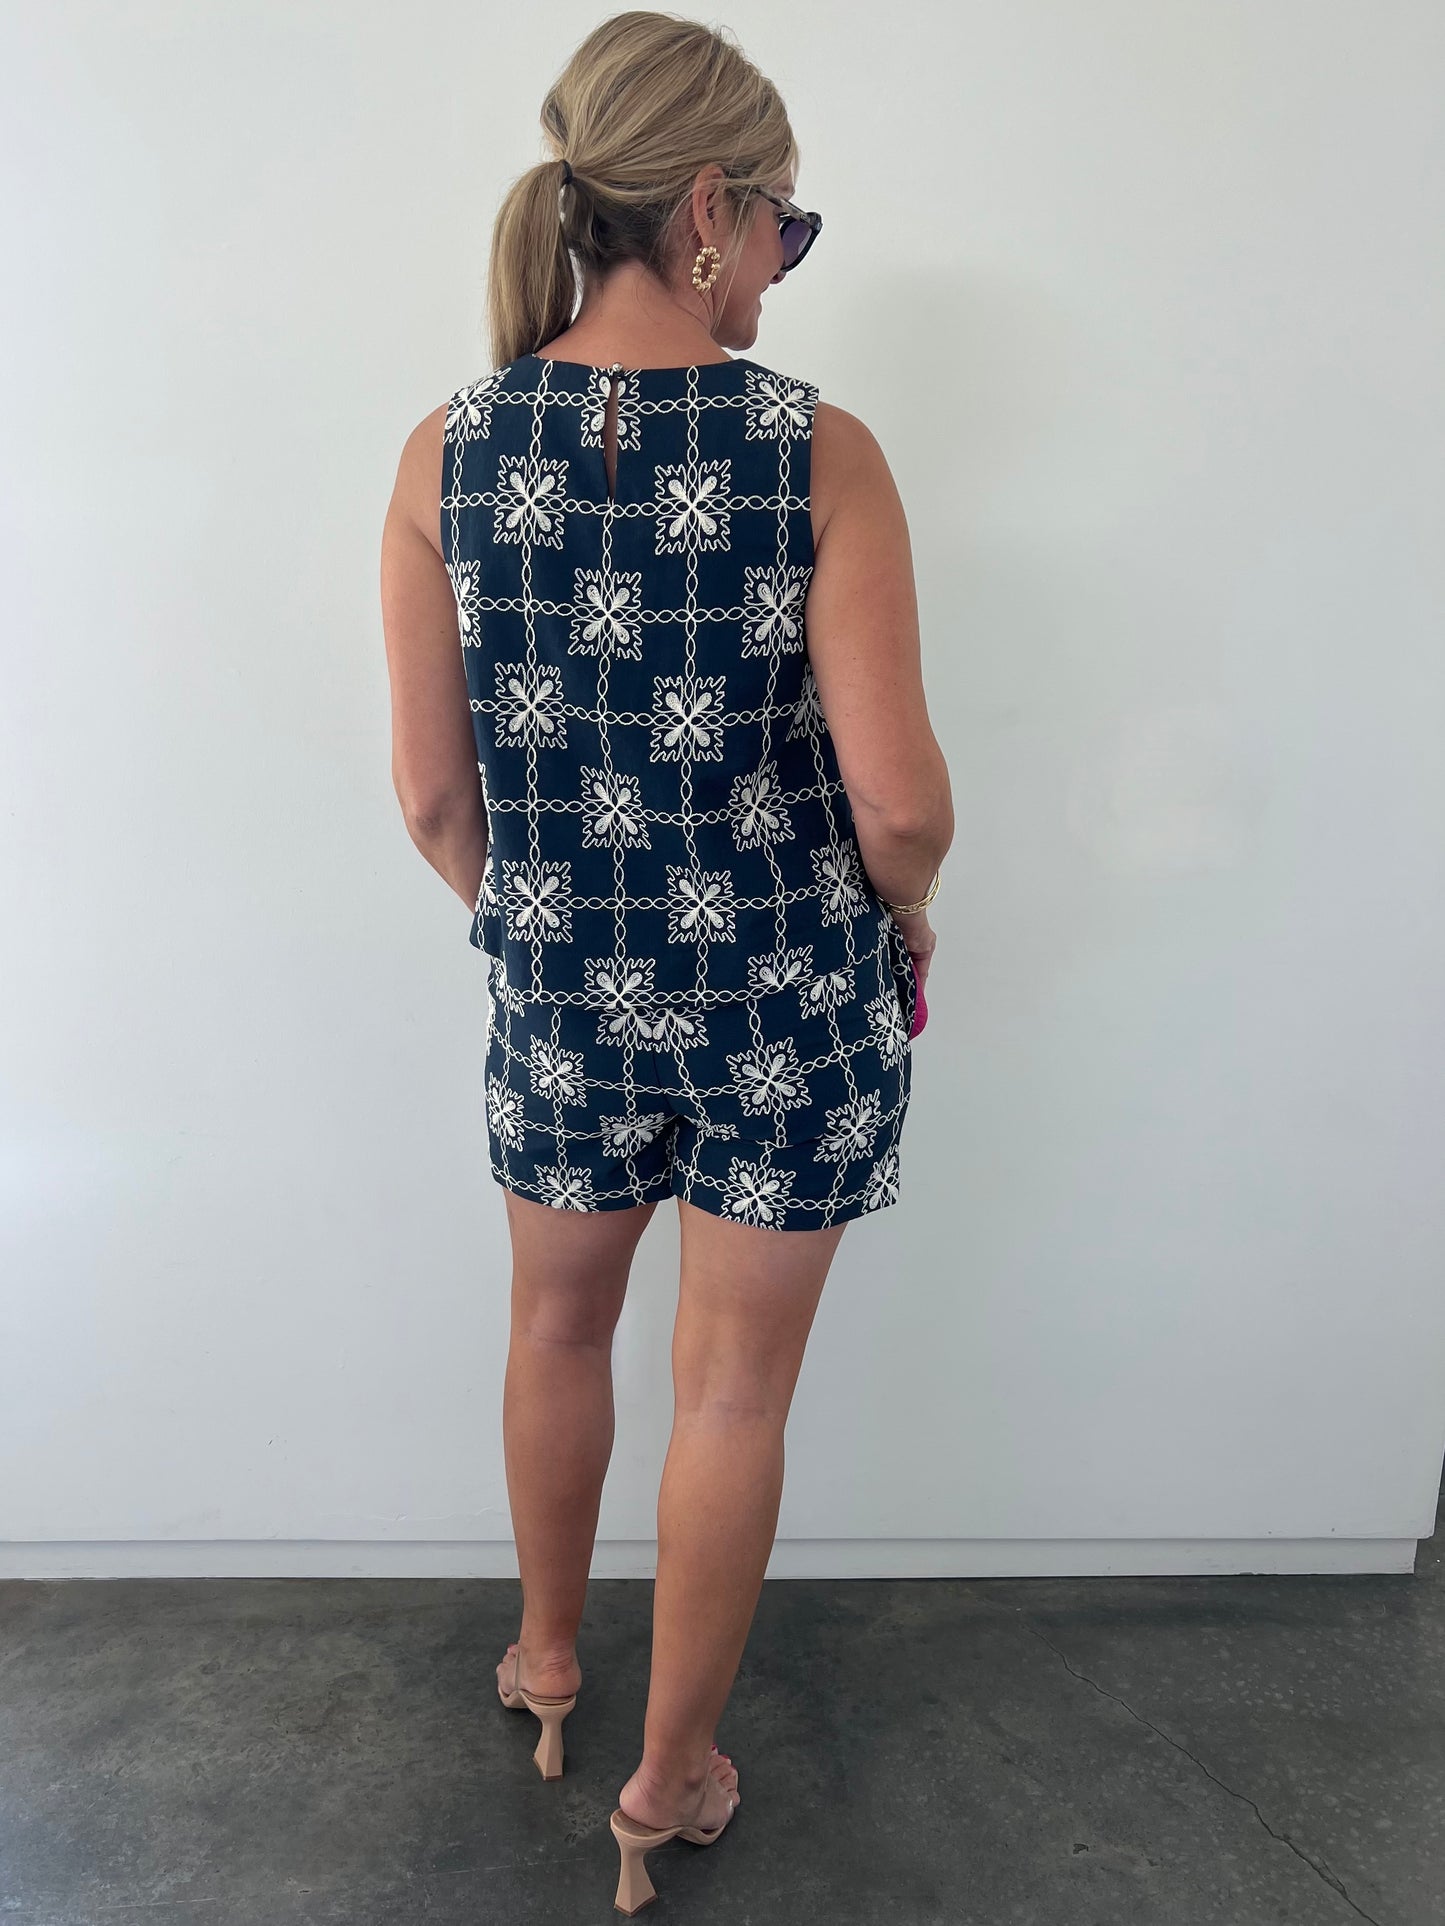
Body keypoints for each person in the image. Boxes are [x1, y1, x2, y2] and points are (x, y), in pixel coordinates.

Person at [379, 11, 952, 1910]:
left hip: (564, 993)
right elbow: (900, 805)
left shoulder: (446, 450)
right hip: (787, 1000)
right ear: (708, 210)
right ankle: (666, 1775)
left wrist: (549, 924)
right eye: (787, 224)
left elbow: (433, 796)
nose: (787, 260)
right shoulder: (818, 453)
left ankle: (548, 1662)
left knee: (554, 1326)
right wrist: (905, 911)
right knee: (728, 1398)